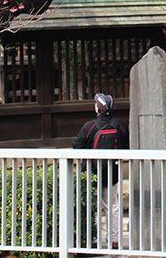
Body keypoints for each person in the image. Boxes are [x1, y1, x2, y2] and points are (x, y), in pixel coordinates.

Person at [73, 92, 129, 249]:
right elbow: (126, 145)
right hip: (113, 172)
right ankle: (115, 239)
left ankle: (95, 239)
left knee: (94, 206)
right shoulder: (121, 125)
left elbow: (77, 145)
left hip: (93, 172)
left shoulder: (90, 126)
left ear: (98, 108)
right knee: (113, 206)